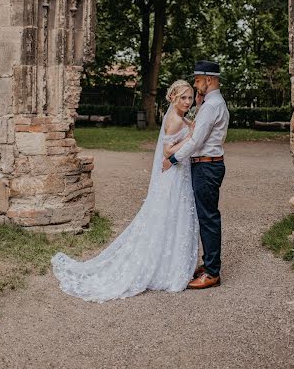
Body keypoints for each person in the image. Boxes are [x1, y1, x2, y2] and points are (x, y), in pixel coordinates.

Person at [51, 80, 199, 303]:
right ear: (173, 99)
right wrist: (190, 138)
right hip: (174, 174)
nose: (187, 102)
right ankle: (167, 268)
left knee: (171, 217)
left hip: (177, 174)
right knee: (169, 215)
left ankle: (168, 263)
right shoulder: (175, 120)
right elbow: (168, 152)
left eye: (190, 97)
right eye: (183, 98)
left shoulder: (180, 117)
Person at [162, 60, 229, 290]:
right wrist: (199, 104)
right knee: (205, 216)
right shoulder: (209, 103)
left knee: (208, 218)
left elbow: (196, 140)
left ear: (209, 80)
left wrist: (172, 159)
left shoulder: (212, 106)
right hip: (207, 165)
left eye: (198, 80)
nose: (195, 84)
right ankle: (209, 264)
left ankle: (212, 272)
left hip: (207, 167)